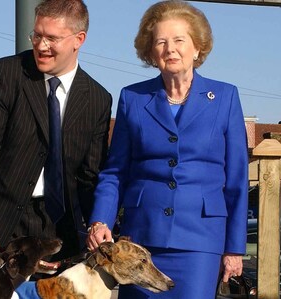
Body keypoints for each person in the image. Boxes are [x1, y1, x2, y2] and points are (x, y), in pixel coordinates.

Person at [86, 1, 248, 298]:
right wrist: (100, 221)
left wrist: (234, 248)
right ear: (150, 52)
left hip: (200, 242)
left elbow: (237, 180)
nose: (170, 48)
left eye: (179, 40)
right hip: (141, 243)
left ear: (198, 48)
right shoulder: (132, 98)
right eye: (160, 41)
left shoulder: (225, 98)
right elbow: (115, 171)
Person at [0, 0, 112, 260]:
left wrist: (95, 227)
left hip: (64, 234)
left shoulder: (98, 99)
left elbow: (90, 176)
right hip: (2, 226)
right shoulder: (5, 75)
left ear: (79, 39)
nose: (41, 46)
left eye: (52, 38)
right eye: (37, 35)